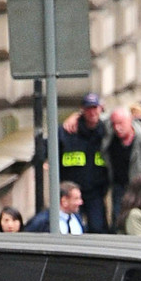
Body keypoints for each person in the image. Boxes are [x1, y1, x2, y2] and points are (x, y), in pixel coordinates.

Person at [57, 93, 110, 233]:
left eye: (95, 108)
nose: (92, 112)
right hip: (72, 193)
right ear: (82, 110)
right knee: (73, 230)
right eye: (88, 108)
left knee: (98, 228)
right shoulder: (68, 131)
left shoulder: (106, 131)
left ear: (101, 109)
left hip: (96, 192)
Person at [99, 106, 141, 219]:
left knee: (136, 216)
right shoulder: (111, 132)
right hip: (118, 184)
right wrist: (75, 117)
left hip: (139, 187)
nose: (117, 128)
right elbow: (95, 117)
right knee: (117, 217)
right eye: (114, 124)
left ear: (130, 121)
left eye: (120, 123)